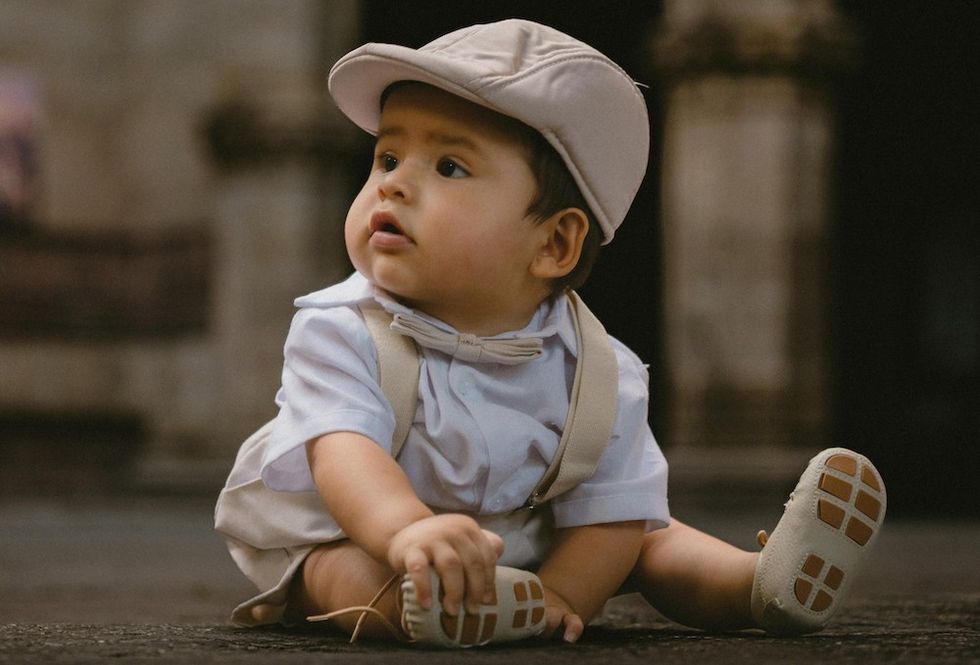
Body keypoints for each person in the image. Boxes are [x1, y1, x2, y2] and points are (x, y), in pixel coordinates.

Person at [215, 19, 886, 648]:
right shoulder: (339, 329)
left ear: (555, 244)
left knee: (647, 534)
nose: (393, 186)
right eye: (388, 157)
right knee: (339, 572)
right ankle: (422, 606)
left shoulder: (602, 372)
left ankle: (758, 583)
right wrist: (408, 531)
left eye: (449, 167)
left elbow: (613, 512)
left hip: (537, 530)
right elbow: (345, 457)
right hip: (359, 527)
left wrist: (563, 594)